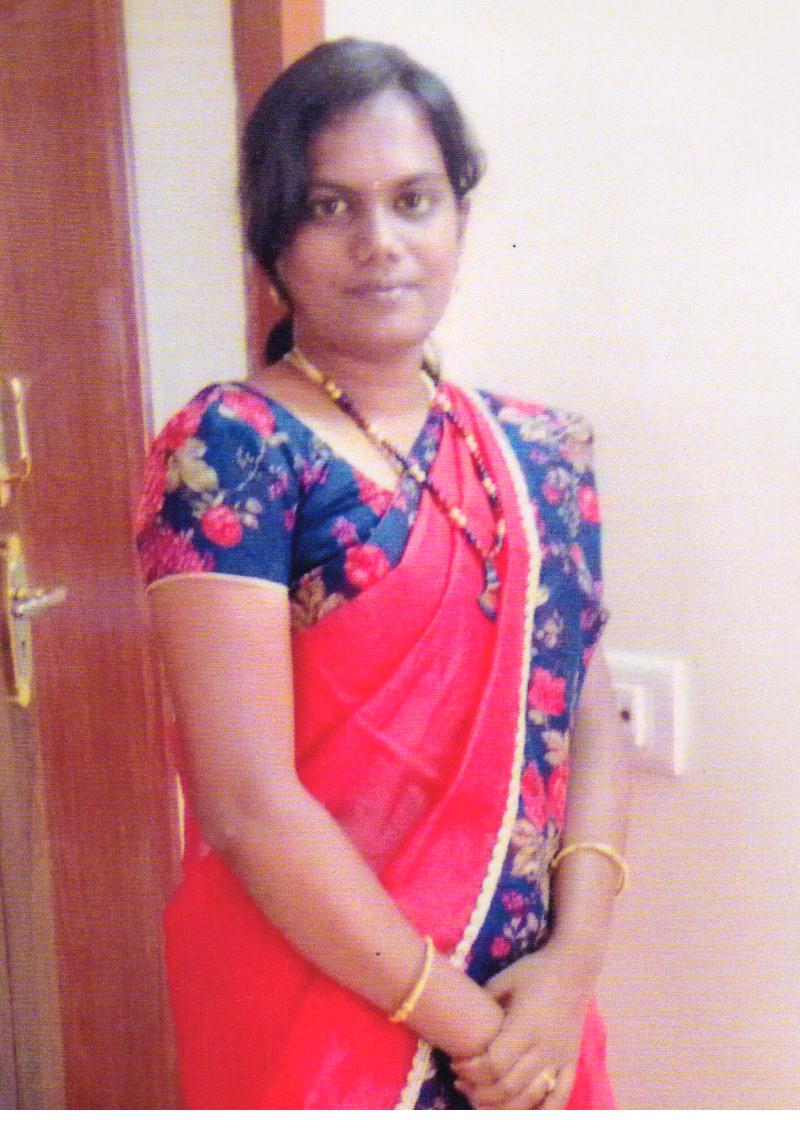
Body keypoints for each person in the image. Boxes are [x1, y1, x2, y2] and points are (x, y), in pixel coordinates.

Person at [136, 37, 632, 1110]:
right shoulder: (230, 450)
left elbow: (587, 717)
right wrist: (473, 1030)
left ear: (458, 215)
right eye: (331, 207)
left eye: (414, 200)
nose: (380, 244)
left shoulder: (541, 453)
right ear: (274, 232)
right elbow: (247, 804)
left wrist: (568, 972)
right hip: (318, 1003)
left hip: (526, 1004)